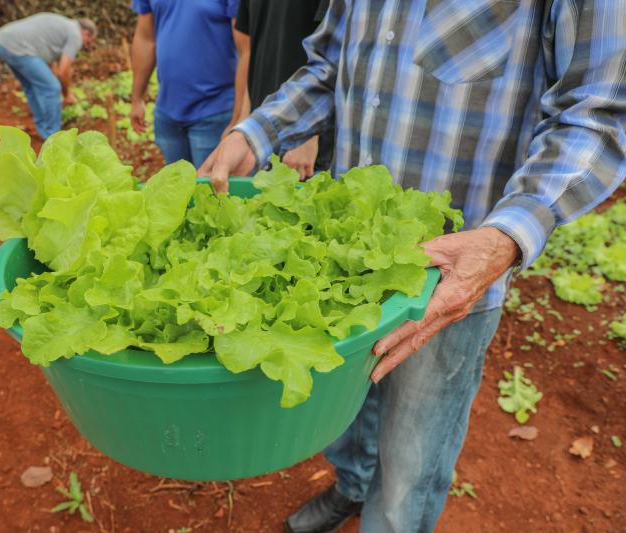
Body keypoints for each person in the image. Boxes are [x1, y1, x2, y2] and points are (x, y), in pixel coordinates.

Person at [200, 1, 626, 531]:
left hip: (446, 282)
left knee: (409, 469)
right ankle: (352, 487)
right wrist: (256, 132)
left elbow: (597, 112)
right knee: (348, 414)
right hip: (345, 264)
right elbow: (330, 64)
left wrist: (505, 238)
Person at [230, 0, 333, 179]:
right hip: (261, 129)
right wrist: (242, 121)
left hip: (300, 140)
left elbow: (331, 53)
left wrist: (308, 136)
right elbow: (252, 50)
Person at [130, 0, 240, 167]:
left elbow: (247, 50)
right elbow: (145, 39)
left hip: (216, 112)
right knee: (178, 189)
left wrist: (240, 117)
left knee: (213, 190)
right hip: (167, 112)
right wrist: (137, 98)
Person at [0, 13, 98, 139]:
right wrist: (67, 94)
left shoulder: (63, 24)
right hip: (18, 47)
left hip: (1, 41)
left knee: (31, 86)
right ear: (85, 33)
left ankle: (43, 127)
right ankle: (52, 136)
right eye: (88, 41)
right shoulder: (75, 35)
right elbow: (63, 71)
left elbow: (51, 64)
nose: (85, 45)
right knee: (52, 88)